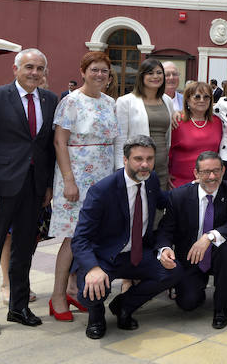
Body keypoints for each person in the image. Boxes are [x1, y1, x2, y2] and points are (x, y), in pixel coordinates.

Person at [0, 48, 58, 337]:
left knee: (24, 250)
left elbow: (45, 148)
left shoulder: (50, 100)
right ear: (15, 69)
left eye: (40, 68)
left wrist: (47, 185)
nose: (35, 72)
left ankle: (19, 307)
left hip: (33, 190)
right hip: (1, 189)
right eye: (29, 67)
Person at [71, 136, 179, 339]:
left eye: (150, 158)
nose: (145, 164)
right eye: (138, 158)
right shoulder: (102, 190)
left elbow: (167, 201)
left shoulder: (151, 179)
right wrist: (93, 269)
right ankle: (96, 316)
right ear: (125, 160)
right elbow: (80, 239)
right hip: (105, 256)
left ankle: (123, 306)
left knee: (172, 272)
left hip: (138, 254)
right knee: (88, 292)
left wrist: (194, 188)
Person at [48, 52, 118, 321]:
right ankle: (57, 296)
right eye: (94, 70)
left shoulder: (110, 102)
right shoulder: (71, 101)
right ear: (83, 71)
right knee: (73, 238)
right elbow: (59, 142)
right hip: (76, 175)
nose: (99, 75)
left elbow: (113, 142)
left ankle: (79, 291)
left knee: (94, 236)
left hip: (103, 177)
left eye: (104, 71)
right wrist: (68, 180)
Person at [156, 151, 227, 329]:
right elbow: (166, 230)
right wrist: (164, 249)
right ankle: (196, 286)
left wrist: (209, 237)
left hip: (219, 254)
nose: (212, 177)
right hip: (191, 257)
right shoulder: (179, 196)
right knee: (188, 303)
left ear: (223, 170)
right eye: (205, 172)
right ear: (196, 173)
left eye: (216, 171)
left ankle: (221, 308)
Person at [115, 59, 176, 189]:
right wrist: (121, 170)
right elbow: (120, 139)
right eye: (150, 73)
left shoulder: (167, 101)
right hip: (137, 168)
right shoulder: (125, 102)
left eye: (159, 73)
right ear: (141, 76)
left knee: (158, 206)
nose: (155, 76)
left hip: (161, 167)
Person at [169, 81, 224, 188]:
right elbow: (168, 150)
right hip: (181, 182)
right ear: (188, 100)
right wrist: (165, 174)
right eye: (197, 97)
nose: (202, 100)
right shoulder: (177, 121)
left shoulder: (217, 121)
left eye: (206, 97)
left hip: (211, 181)